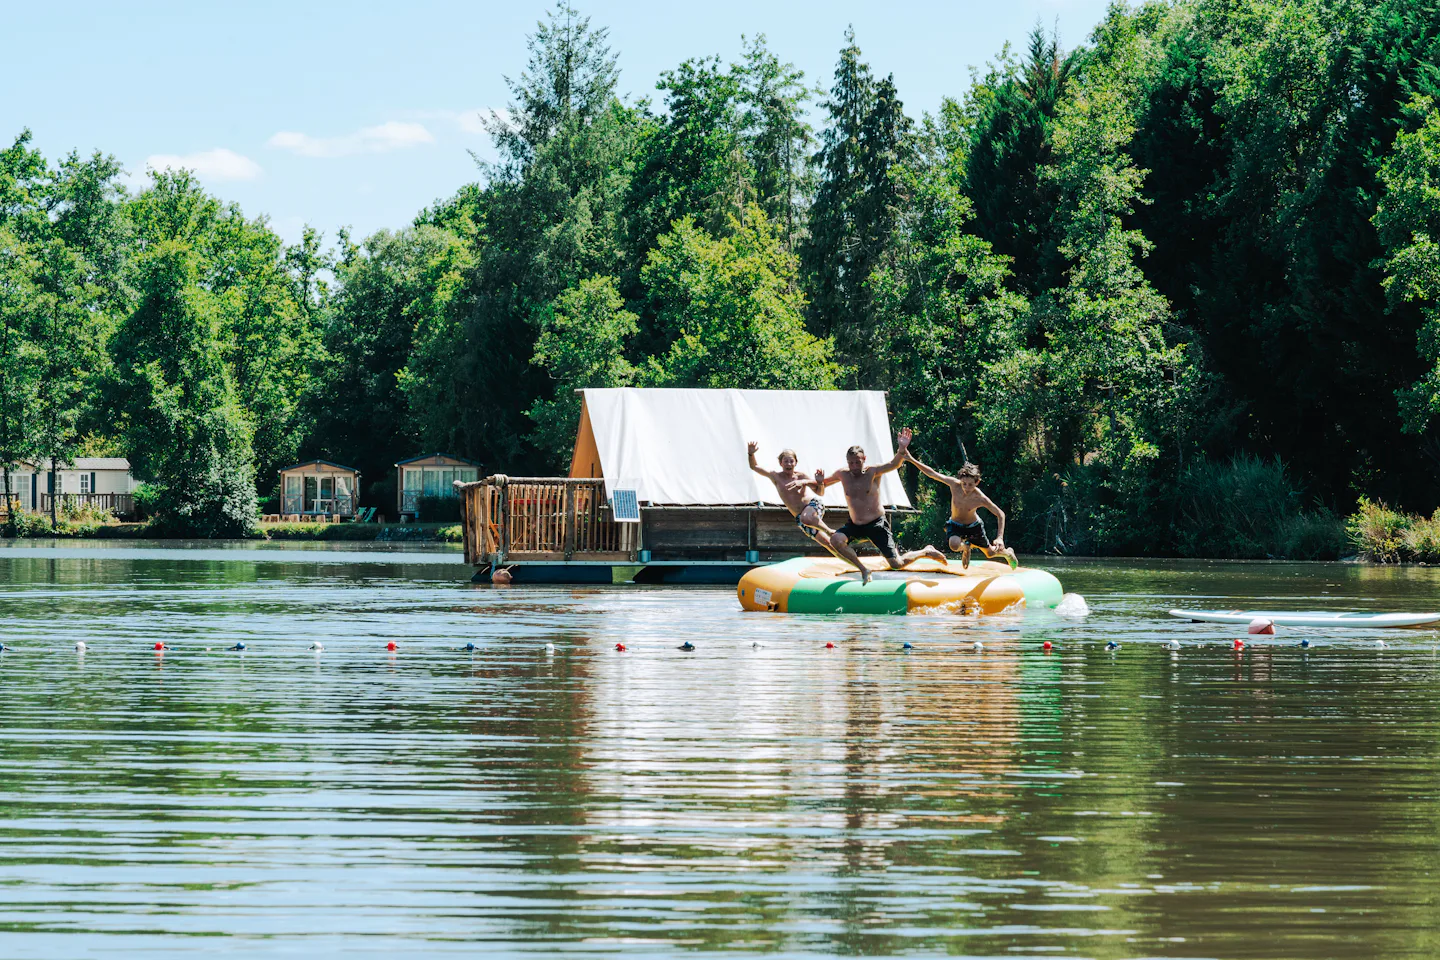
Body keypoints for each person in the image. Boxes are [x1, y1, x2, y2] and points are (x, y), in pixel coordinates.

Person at [812, 428, 945, 584]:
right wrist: (820, 481)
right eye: (851, 463)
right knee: (835, 540)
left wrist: (902, 449)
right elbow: (820, 491)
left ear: (864, 459)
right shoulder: (842, 474)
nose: (854, 466)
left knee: (897, 564)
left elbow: (894, 464)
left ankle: (925, 551)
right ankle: (863, 569)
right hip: (855, 525)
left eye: (857, 462)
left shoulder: (873, 472)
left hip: (876, 524)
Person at [747, 441, 863, 575]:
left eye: (791, 461)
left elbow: (820, 492)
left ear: (796, 462)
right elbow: (754, 466)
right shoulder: (776, 477)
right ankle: (855, 565)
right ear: (781, 463)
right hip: (801, 518)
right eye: (786, 461)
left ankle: (830, 531)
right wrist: (751, 453)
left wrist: (819, 482)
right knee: (828, 544)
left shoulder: (801, 476)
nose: (789, 464)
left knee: (807, 517)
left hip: (813, 506)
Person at [905, 454, 1017, 570]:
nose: (967, 488)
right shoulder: (954, 485)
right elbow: (932, 473)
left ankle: (1008, 553)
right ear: (960, 480)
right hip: (955, 524)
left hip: (974, 526)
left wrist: (999, 537)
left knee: (990, 553)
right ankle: (966, 547)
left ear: (977, 482)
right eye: (964, 484)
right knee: (953, 544)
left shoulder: (980, 498)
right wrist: (911, 459)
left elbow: (1000, 514)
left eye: (970, 485)